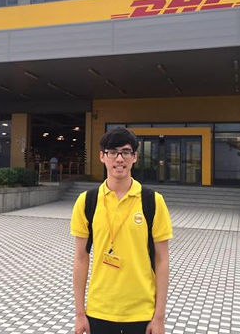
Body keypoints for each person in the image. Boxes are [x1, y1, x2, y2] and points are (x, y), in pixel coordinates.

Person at [71, 128, 172, 334]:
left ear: (134, 157)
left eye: (126, 152)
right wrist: (80, 314)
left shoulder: (153, 201)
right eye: (112, 152)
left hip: (141, 313)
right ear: (102, 156)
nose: (119, 159)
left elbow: (162, 260)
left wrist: (159, 316)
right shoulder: (87, 201)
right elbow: (81, 258)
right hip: (99, 311)